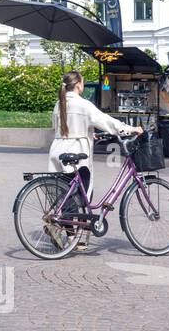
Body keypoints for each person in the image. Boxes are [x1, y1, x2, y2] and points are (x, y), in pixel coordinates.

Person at [49, 70, 143, 250]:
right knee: (81, 197)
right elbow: (106, 121)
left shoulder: (58, 104)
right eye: (82, 83)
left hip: (58, 150)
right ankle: (74, 237)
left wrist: (89, 134)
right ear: (78, 85)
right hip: (76, 151)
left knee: (65, 195)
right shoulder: (83, 105)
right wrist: (130, 129)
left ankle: (69, 235)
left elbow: (62, 128)